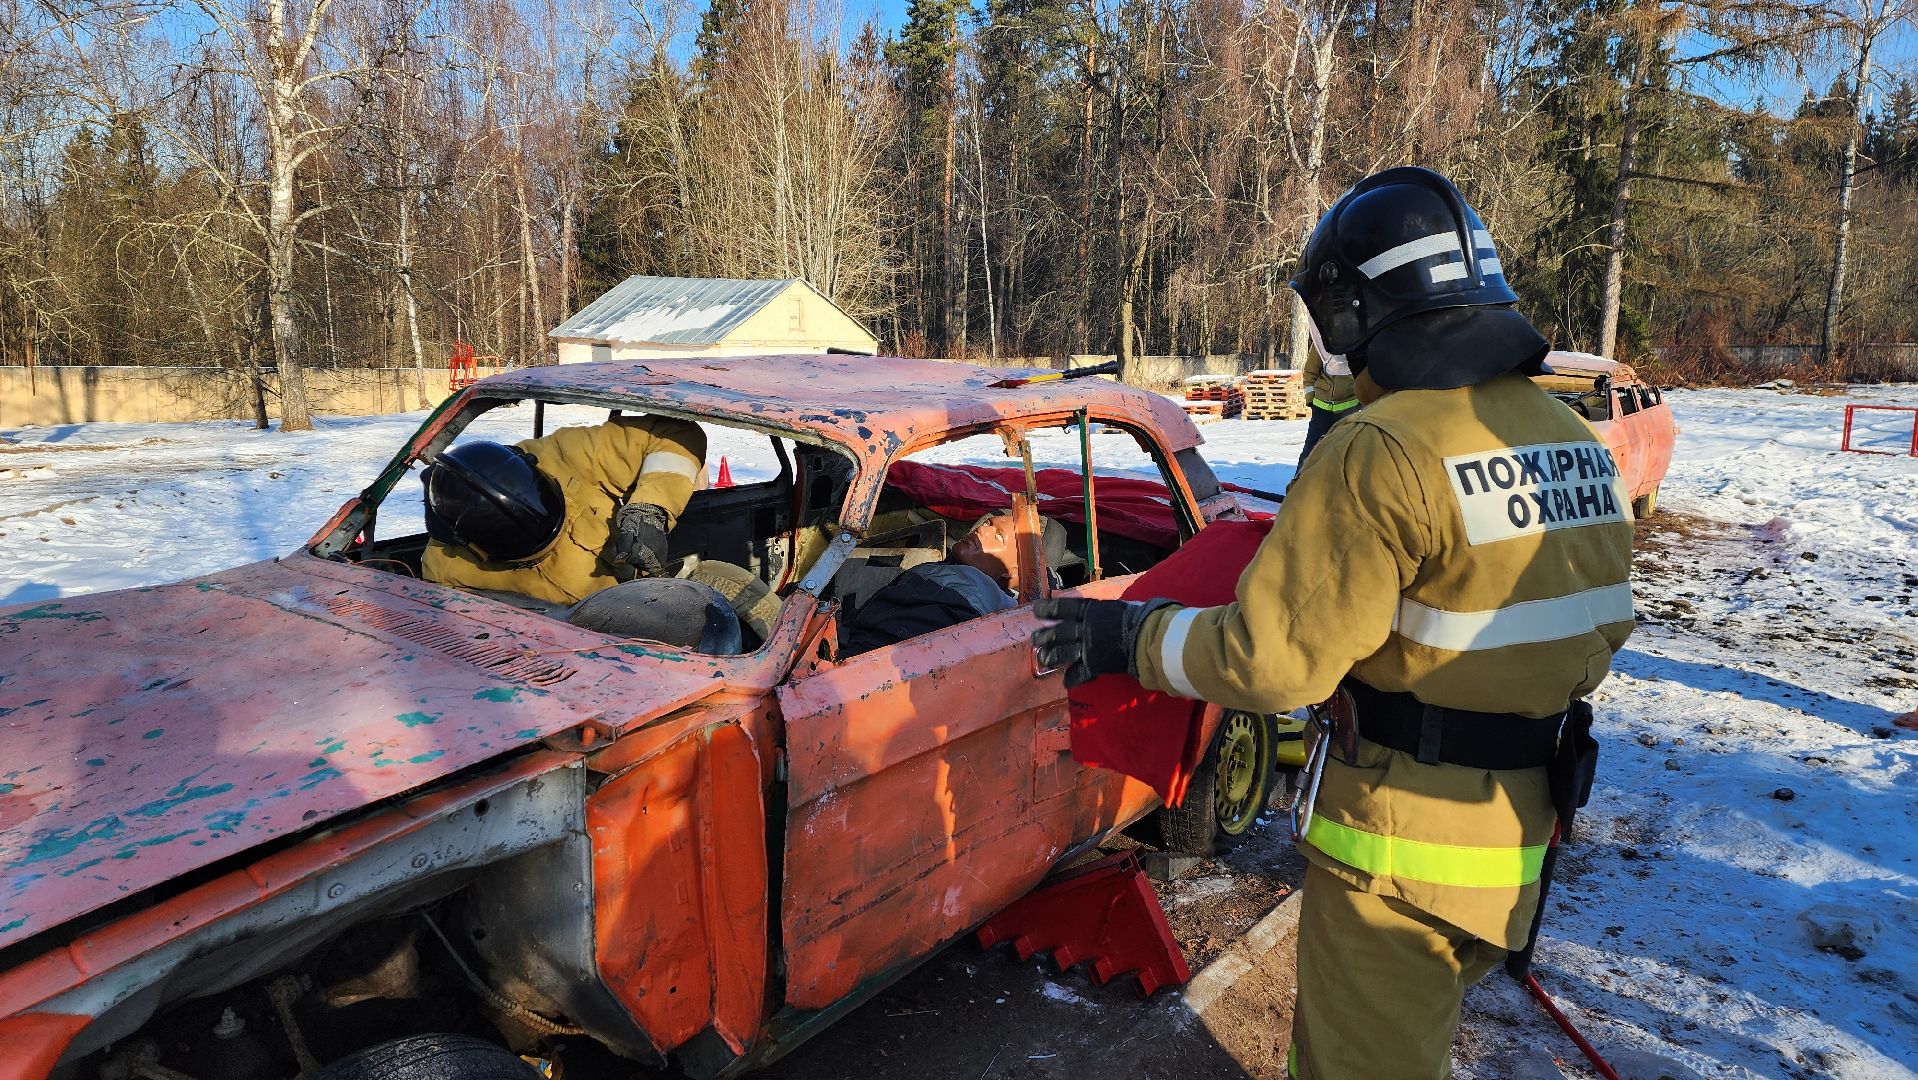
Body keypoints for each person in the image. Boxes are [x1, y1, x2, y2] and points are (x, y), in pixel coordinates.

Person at [1033, 166, 1635, 1079]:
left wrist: (1135, 638)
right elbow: (1592, 627)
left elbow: (1274, 662)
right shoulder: (1572, 442)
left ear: (1360, 314)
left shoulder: (1383, 450)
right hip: (1514, 838)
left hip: (1401, 855)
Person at [420, 414, 707, 606]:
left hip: (648, 595)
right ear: (470, 545)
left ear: (532, 467)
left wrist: (649, 511)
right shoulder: (445, 572)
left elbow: (677, 434)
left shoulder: (564, 454)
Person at [1295, 326, 1360, 467]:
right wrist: (1311, 399)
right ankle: (1300, 479)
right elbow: (1309, 372)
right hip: (1321, 408)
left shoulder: (1359, 342)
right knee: (1310, 452)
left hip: (1349, 407)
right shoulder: (1321, 342)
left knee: (1346, 452)